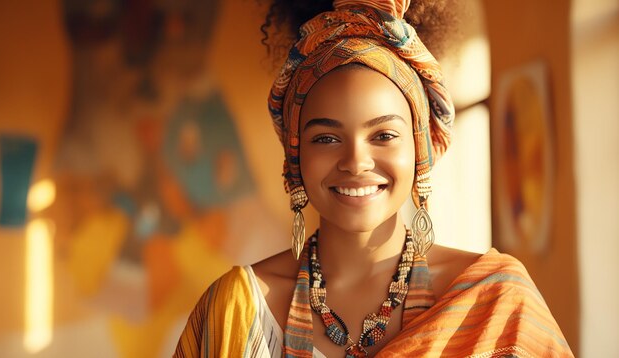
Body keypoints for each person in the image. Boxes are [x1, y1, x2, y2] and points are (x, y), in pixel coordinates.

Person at [174, 0, 574, 356]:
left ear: (421, 151)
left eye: (383, 135)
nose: (355, 161)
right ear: (295, 156)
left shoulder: (496, 305)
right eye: (326, 138)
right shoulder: (236, 311)